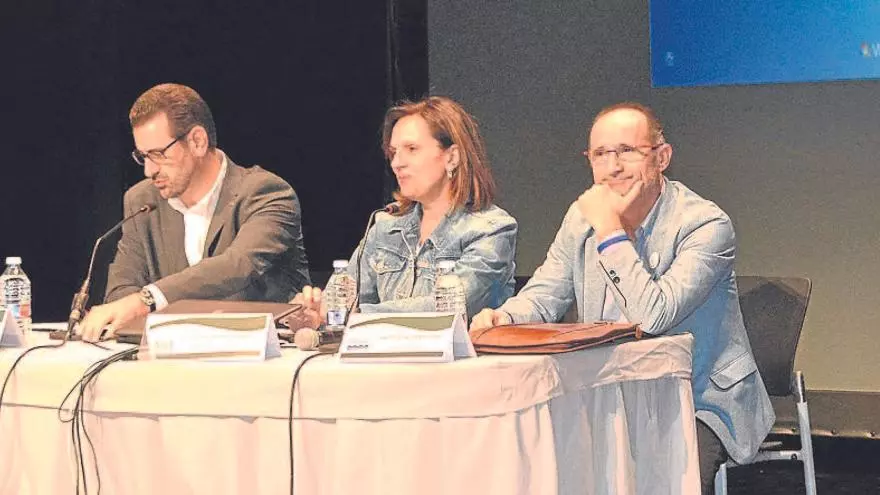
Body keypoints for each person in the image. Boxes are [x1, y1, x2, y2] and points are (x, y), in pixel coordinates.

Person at [470, 102, 774, 493]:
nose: (612, 167)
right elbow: (546, 293)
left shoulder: (705, 225)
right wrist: (506, 318)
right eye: (600, 154)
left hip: (698, 398)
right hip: (609, 390)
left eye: (627, 151)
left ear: (662, 157)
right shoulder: (581, 218)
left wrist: (611, 233)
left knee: (664, 480)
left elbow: (652, 316)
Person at [79, 83, 310, 341]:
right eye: (143, 156)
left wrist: (148, 299)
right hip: (170, 357)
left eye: (158, 154)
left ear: (198, 141)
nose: (149, 170)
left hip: (261, 357)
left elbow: (238, 265)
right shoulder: (142, 201)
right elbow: (122, 292)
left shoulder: (265, 193)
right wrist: (128, 309)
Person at [294, 96, 517, 327]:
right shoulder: (384, 227)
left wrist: (351, 314)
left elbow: (447, 309)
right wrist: (315, 312)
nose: (396, 163)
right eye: (394, 152)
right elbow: (341, 302)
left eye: (412, 149)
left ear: (452, 157)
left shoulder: (491, 229)